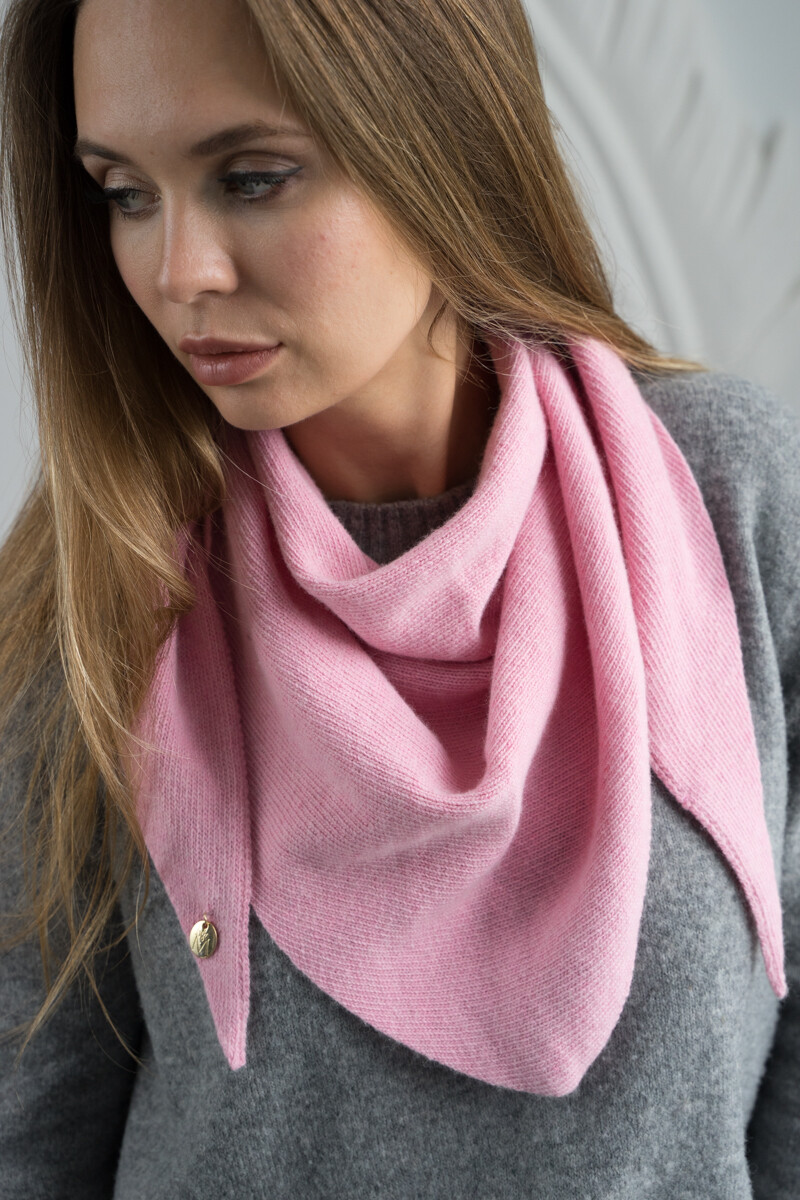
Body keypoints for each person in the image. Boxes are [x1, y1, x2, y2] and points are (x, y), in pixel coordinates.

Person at [0, 0, 797, 1196]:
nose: (178, 272)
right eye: (124, 193)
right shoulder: (102, 574)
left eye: (252, 178)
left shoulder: (727, 496)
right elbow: (29, 1127)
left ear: (441, 136)